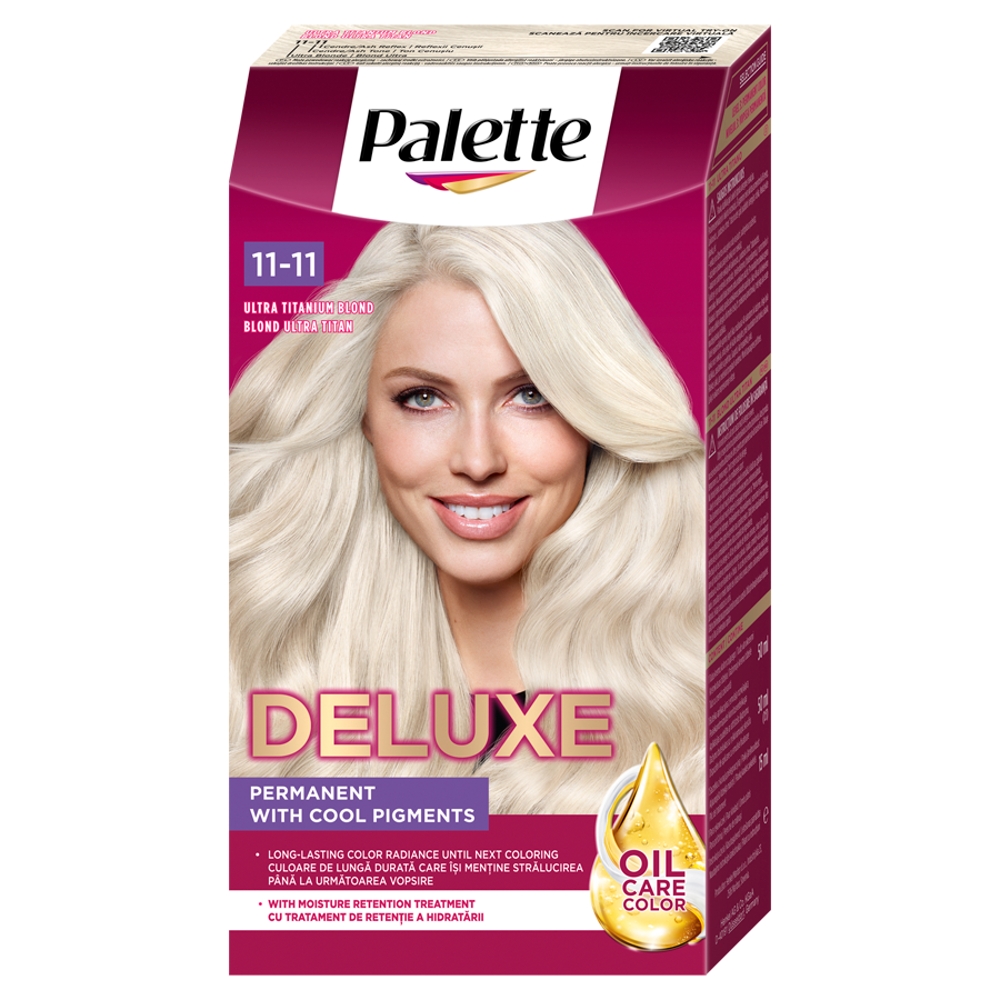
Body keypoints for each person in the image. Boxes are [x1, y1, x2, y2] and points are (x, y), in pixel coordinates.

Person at [230, 222, 706, 814]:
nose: (478, 462)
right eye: (423, 398)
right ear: (364, 418)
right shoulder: (260, 683)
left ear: (595, 417)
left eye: (530, 396)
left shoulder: (696, 695)